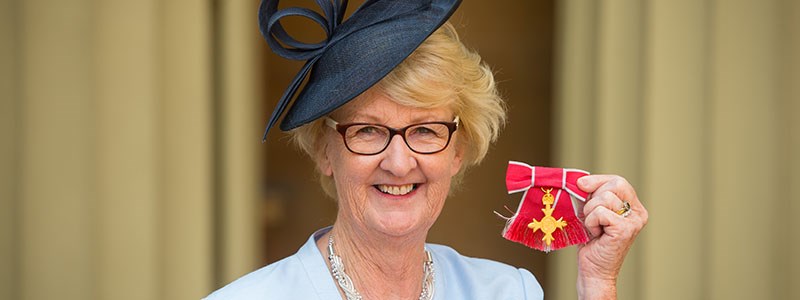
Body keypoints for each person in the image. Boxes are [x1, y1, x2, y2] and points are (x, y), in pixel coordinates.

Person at [206, 0, 648, 299]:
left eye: (425, 131)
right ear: (325, 150)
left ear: (458, 151)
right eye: (366, 131)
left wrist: (598, 283)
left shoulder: (508, 292)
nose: (399, 163)